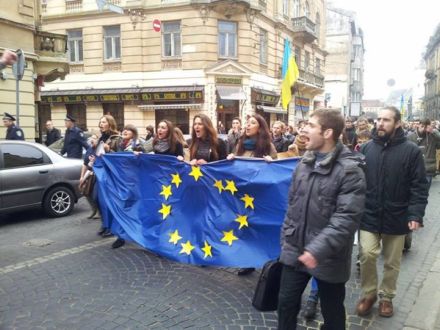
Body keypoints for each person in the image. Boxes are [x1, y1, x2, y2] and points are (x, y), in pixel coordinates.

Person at [278, 108, 366, 330]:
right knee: (285, 304)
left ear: (327, 133)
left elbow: (346, 219)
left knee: (332, 312)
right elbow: (292, 205)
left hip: (329, 257)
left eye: (310, 125)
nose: (304, 129)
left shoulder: (350, 171)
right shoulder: (303, 164)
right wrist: (286, 238)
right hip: (295, 250)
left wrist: (316, 250)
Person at [356, 106, 429, 318]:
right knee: (367, 254)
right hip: (369, 213)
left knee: (392, 261)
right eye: (378, 119)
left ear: (397, 123)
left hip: (397, 215)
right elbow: (356, 180)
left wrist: (415, 214)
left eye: (386, 120)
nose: (380, 123)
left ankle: (386, 297)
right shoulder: (366, 148)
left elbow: (419, 185)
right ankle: (369, 294)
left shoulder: (412, 151)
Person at [227, 114, 277, 276]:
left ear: (260, 127)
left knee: (260, 227)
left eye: (252, 123)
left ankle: (266, 260)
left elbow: (277, 174)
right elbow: (234, 169)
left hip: (260, 196)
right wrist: (230, 159)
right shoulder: (240, 144)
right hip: (243, 195)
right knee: (245, 227)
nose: (248, 126)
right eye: (247, 123)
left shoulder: (268, 146)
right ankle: (249, 261)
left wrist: (272, 163)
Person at [110, 124, 145, 249]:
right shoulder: (120, 144)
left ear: (133, 133)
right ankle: (121, 237)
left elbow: (144, 161)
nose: (125, 131)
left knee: (135, 209)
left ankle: (140, 236)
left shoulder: (138, 145)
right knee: (121, 208)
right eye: (124, 129)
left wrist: (138, 155)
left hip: (134, 183)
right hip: (121, 182)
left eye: (128, 129)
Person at [96, 114, 121, 238]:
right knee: (99, 199)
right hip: (100, 173)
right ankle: (105, 224)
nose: (101, 124)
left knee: (109, 201)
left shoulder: (116, 138)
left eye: (104, 122)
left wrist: (108, 149)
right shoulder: (101, 138)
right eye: (100, 122)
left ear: (110, 123)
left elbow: (120, 156)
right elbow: (98, 154)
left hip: (111, 174)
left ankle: (111, 227)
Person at [407, 118, 440, 188]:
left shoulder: (432, 136)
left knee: (424, 192)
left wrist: (434, 131)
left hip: (428, 169)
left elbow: (439, 146)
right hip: (414, 169)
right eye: (422, 126)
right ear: (419, 125)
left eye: (426, 126)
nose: (424, 128)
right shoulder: (411, 137)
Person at [79, 133, 100, 220]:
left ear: (99, 140)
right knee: (85, 191)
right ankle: (93, 210)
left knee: (95, 195)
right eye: (91, 138)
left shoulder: (100, 150)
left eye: (94, 138)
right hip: (89, 173)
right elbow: (85, 164)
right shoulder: (89, 149)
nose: (92, 140)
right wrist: (82, 176)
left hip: (97, 174)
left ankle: (99, 212)